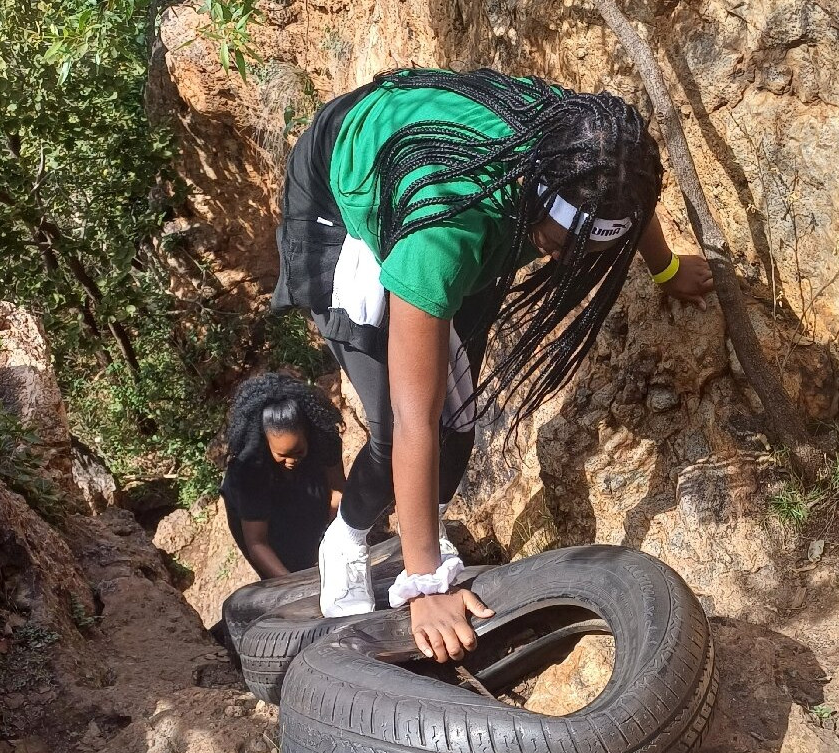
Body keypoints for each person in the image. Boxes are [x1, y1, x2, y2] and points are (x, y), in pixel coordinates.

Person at [270, 67, 713, 662]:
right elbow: (413, 418)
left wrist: (666, 268)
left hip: (462, 190)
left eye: (591, 247)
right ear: (535, 193)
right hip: (342, 189)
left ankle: (420, 530)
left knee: (459, 422)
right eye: (563, 244)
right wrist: (426, 584)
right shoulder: (444, 234)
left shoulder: (594, 158)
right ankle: (346, 539)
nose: (571, 260)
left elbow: (628, 200)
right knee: (393, 428)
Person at [220, 373, 345, 578]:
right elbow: (257, 543)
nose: (291, 460)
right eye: (283, 455)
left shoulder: (324, 441)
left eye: (298, 451)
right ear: (265, 444)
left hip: (305, 493)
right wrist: (292, 584)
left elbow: (337, 492)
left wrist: (331, 538)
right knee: (286, 564)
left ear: (308, 435)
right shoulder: (248, 469)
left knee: (312, 549)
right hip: (260, 514)